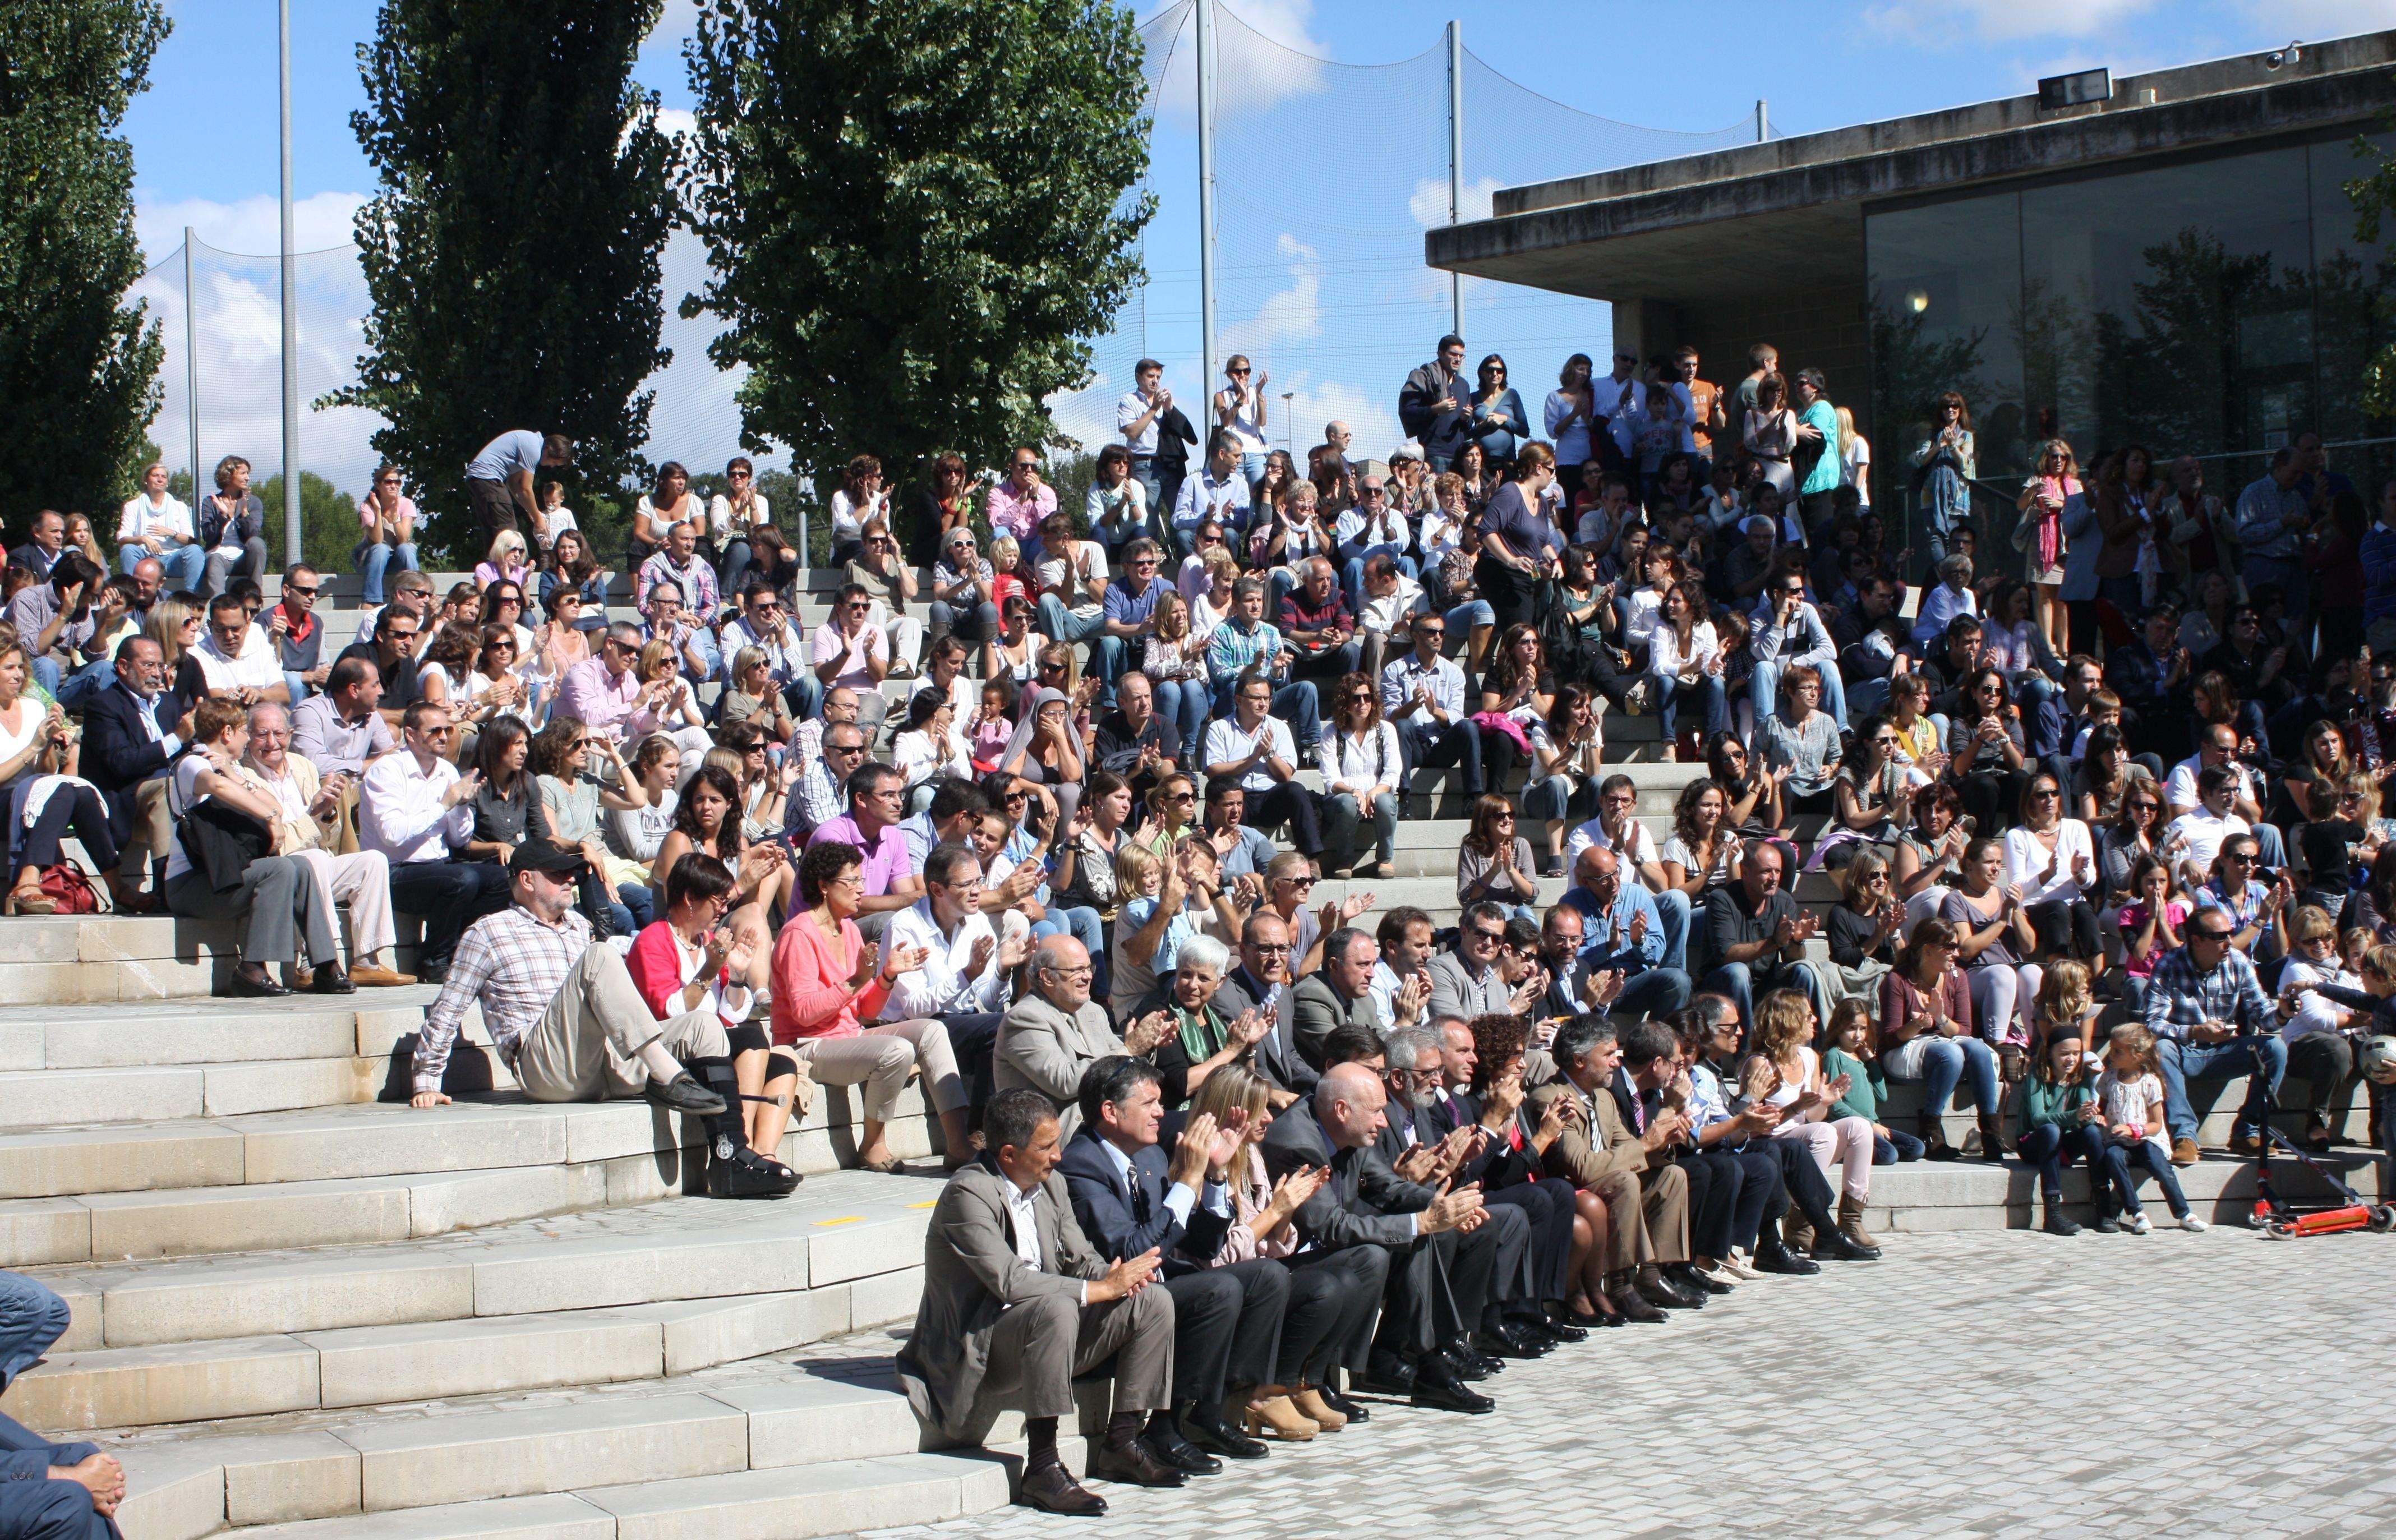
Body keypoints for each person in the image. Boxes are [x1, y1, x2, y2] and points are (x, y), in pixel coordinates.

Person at [897, 1086, 1185, 1515]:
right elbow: (1011, 1282)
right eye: (1047, 1147)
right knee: (1056, 1306)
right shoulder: (968, 1194)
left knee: (1153, 1301)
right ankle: (1044, 1467)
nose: (1058, 1156)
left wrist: (1116, 1277)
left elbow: (1081, 1257)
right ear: (1009, 1154)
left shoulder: (1052, 1185)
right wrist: (1098, 1290)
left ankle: (1123, 1443)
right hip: (978, 1345)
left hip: (1047, 1332)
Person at [1061, 1056, 1293, 1470]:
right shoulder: (1081, 1164)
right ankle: (1164, 1427)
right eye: (1149, 1103)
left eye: (1160, 1102)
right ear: (1110, 1111)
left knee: (1268, 1276)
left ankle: (1210, 1411)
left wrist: (1215, 1176)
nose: (1161, 1113)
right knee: (1218, 1289)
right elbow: (1133, 1251)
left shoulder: (1149, 1156)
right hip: (1116, 1303)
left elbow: (1203, 1245)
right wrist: (1188, 1180)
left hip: (1163, 1284)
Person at [1257, 1062, 1501, 1413]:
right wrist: (1423, 1220)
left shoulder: (1345, 1127)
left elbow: (1387, 1187)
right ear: (1342, 1110)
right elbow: (1330, 1226)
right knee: (1377, 1253)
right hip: (1281, 1262)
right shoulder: (1296, 1142)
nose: (1384, 1122)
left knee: (1418, 1235)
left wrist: (1441, 1206)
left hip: (1325, 1251)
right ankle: (1319, 1378)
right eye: (1376, 1112)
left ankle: (1432, 1363)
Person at [162, 697, 347, 998]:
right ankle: (251, 968)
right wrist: (269, 817)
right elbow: (218, 787)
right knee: (280, 868)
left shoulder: (230, 770)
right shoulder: (193, 763)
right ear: (227, 733)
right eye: (244, 731)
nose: (248, 738)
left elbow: (274, 806)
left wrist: (237, 777)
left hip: (226, 875)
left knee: (302, 866)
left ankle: (326, 964)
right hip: (191, 884)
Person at [1525, 1016, 1696, 1322]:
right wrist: (1646, 1144)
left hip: (1609, 1184)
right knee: (1625, 1180)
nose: (1616, 1063)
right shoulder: (1550, 1098)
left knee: (1672, 1175)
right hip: (1571, 1191)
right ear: (1579, 1060)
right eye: (1607, 1055)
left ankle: (1652, 1275)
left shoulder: (1602, 1097)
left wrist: (1663, 1143)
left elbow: (1629, 1147)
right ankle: (1620, 1285)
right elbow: (1582, 1168)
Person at [240, 701, 411, 986]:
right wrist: (313, 815)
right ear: (248, 736)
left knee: (372, 861)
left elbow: (328, 839)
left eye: (279, 734)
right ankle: (317, 960)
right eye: (262, 734)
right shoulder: (243, 775)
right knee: (313, 859)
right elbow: (273, 842)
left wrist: (328, 813)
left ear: (290, 735)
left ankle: (367, 961)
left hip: (316, 865)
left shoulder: (303, 766)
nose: (272, 743)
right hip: (282, 870)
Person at [357, 701, 513, 983]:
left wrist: (461, 806)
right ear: (410, 734)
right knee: (462, 879)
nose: (444, 737)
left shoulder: (447, 771)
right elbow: (392, 834)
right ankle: (434, 960)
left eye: (448, 730)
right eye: (435, 731)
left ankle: (460, 951)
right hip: (394, 871)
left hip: (439, 866)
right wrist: (445, 804)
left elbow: (459, 839)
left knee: (504, 879)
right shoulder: (387, 771)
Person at [2140, 903, 2286, 1165]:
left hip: (2224, 1051)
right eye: (2220, 936)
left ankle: (2247, 1130)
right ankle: (2184, 1137)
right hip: (2183, 1052)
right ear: (2196, 940)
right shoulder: (2168, 965)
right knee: (2161, 1048)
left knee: (2275, 1048)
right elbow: (2151, 1023)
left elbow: (2263, 1014)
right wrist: (2194, 1032)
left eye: (2230, 934)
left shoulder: (2238, 962)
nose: (2229, 941)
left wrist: (2283, 1013)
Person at [1747, 988, 1877, 1253]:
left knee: (1860, 1127)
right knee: (1822, 1133)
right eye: (1808, 1016)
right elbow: (1753, 1126)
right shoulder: (1760, 1064)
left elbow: (1813, 1117)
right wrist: (1796, 1107)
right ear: (1789, 1020)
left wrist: (1824, 1101)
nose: (1815, 1020)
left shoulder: (1809, 1057)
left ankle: (1851, 1219)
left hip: (1803, 1143)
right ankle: (1801, 1221)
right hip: (1770, 1145)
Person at [0, 640, 113, 918]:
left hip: (34, 795)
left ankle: (117, 886)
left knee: (79, 792)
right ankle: (27, 879)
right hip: (5, 798)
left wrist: (48, 743)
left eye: (21, 668)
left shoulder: (33, 707)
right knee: (64, 790)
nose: (18, 675)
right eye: (9, 668)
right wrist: (33, 748)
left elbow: (48, 771)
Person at [994, 936, 1137, 1142]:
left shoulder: (1092, 1011)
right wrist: (1129, 1050)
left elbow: (1124, 1062)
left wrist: (1147, 1045)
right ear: (1047, 977)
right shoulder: (1024, 1018)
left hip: (1106, 1121)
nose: (1088, 977)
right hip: (1056, 1138)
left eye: (1089, 968)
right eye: (1077, 970)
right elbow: (1065, 1082)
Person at [2092, 1023, 2206, 1233]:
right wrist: (2099, 1117)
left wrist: (2133, 1130)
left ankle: (2184, 1213)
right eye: (2111, 1049)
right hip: (2118, 1142)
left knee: (2161, 1166)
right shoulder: (2108, 1078)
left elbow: (2156, 1125)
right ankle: (2137, 1213)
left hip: (2146, 1140)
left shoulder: (2150, 1082)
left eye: (2118, 1051)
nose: (2111, 1055)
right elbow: (2102, 1109)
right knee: (2113, 1157)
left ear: (2138, 1055)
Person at [1700, 841, 1824, 1031]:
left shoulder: (1784, 901)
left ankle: (1803, 1044)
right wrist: (1774, 942)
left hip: (1765, 983)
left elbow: (1792, 958)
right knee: (1739, 971)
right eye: (1766, 871)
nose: (1774, 878)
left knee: (1804, 970)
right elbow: (1727, 955)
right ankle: (1745, 1047)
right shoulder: (1722, 899)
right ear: (1745, 872)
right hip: (1723, 983)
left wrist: (1797, 941)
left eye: (1778, 871)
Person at [2013, 1027, 2105, 1235]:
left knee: (2092, 1132)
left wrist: (2089, 1115)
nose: (2071, 1059)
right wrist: (2076, 1115)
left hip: (2062, 1144)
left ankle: (2104, 1204)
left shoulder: (2082, 1075)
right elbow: (2038, 1119)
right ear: (2050, 1053)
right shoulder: (2036, 1074)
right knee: (2051, 1130)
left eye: (2076, 1053)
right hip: (2033, 1142)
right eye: (2064, 1054)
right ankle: (2052, 1212)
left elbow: (2083, 1117)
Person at [1316, 671, 1400, 879]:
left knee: (1386, 802)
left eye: (1367, 697)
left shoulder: (1386, 730)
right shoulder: (1332, 733)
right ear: (1345, 702)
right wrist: (1355, 792)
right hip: (1342, 797)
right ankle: (1345, 860)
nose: (1363, 703)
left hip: (1376, 794)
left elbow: (1392, 773)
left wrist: (1373, 792)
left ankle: (1384, 859)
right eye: (1356, 698)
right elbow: (1331, 780)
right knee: (1347, 802)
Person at [463, 429, 572, 545]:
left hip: (476, 479)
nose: (552, 466)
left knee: (492, 533)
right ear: (548, 450)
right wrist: (538, 518)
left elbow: (513, 484)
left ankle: (493, 556)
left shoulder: (530, 443)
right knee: (508, 530)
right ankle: (509, 555)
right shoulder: (533, 449)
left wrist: (530, 510)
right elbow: (526, 489)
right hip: (488, 478)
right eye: (554, 462)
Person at [1909, 391, 1976, 569]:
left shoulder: (1966, 436)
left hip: (1955, 496)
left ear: (1960, 410)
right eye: (1947, 407)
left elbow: (1965, 463)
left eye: (1955, 406)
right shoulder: (1932, 436)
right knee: (1935, 536)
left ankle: (1952, 573)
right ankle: (1944, 572)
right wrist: (1939, 446)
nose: (1951, 410)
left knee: (1952, 537)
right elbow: (1920, 459)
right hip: (1931, 494)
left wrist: (1953, 446)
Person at [118, 460, 204, 589]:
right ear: (146, 480)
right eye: (155, 476)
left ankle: (192, 597)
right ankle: (131, 595)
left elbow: (190, 540)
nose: (160, 480)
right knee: (128, 549)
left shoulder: (179, 507)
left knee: (195, 550)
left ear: (167, 482)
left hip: (173, 559)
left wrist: (171, 533)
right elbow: (122, 540)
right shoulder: (133, 506)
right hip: (145, 558)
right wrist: (143, 539)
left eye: (164, 477)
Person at [1398, 333, 1472, 472]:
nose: (1458, 360)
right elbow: (1407, 412)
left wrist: (1467, 418)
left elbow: (1468, 427)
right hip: (1433, 456)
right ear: (1440, 353)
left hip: (1459, 458)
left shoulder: (1463, 385)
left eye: (1461, 356)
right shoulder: (1423, 377)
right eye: (1453, 354)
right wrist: (1435, 409)